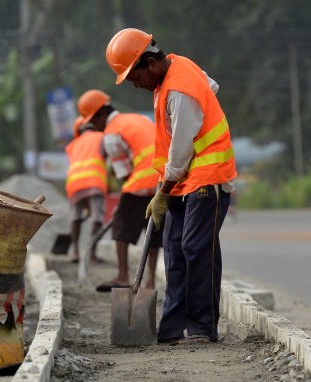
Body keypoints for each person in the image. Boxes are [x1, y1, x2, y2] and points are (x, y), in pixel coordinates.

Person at [105, 28, 237, 345]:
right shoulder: (175, 70)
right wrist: (165, 188)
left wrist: (162, 192)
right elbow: (212, 86)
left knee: (195, 247)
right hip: (182, 180)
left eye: (135, 78)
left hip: (207, 177)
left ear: (149, 62)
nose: (136, 86)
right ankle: (171, 328)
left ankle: (203, 328)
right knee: (175, 251)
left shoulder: (179, 89)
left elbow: (180, 150)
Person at [76, 89, 162, 293]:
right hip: (163, 182)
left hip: (141, 183)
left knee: (120, 228)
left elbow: (125, 173)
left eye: (94, 123)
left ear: (102, 115)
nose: (95, 128)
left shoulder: (112, 134)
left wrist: (121, 205)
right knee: (153, 232)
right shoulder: (136, 118)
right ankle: (150, 283)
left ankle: (123, 276)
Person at [65, 116, 108, 264]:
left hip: (74, 185)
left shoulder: (72, 144)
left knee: (76, 218)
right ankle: (91, 253)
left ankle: (75, 251)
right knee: (97, 218)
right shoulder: (101, 137)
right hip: (94, 182)